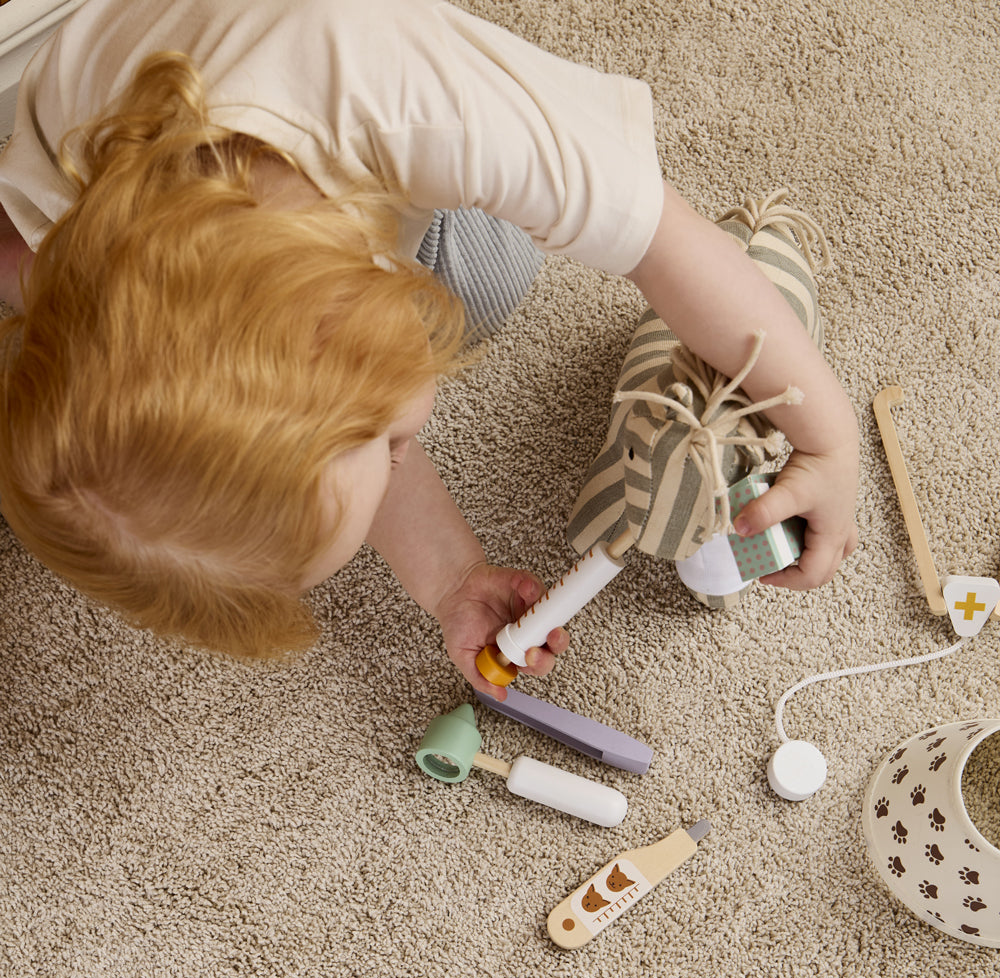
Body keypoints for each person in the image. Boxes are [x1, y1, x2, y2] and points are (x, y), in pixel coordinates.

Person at [0, 0, 858, 700]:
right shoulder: (74, 261)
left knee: (488, 274)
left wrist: (826, 434)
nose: (402, 454)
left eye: (389, 446)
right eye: (389, 452)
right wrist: (451, 576)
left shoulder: (410, 99)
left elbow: (662, 238)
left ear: (341, 332)